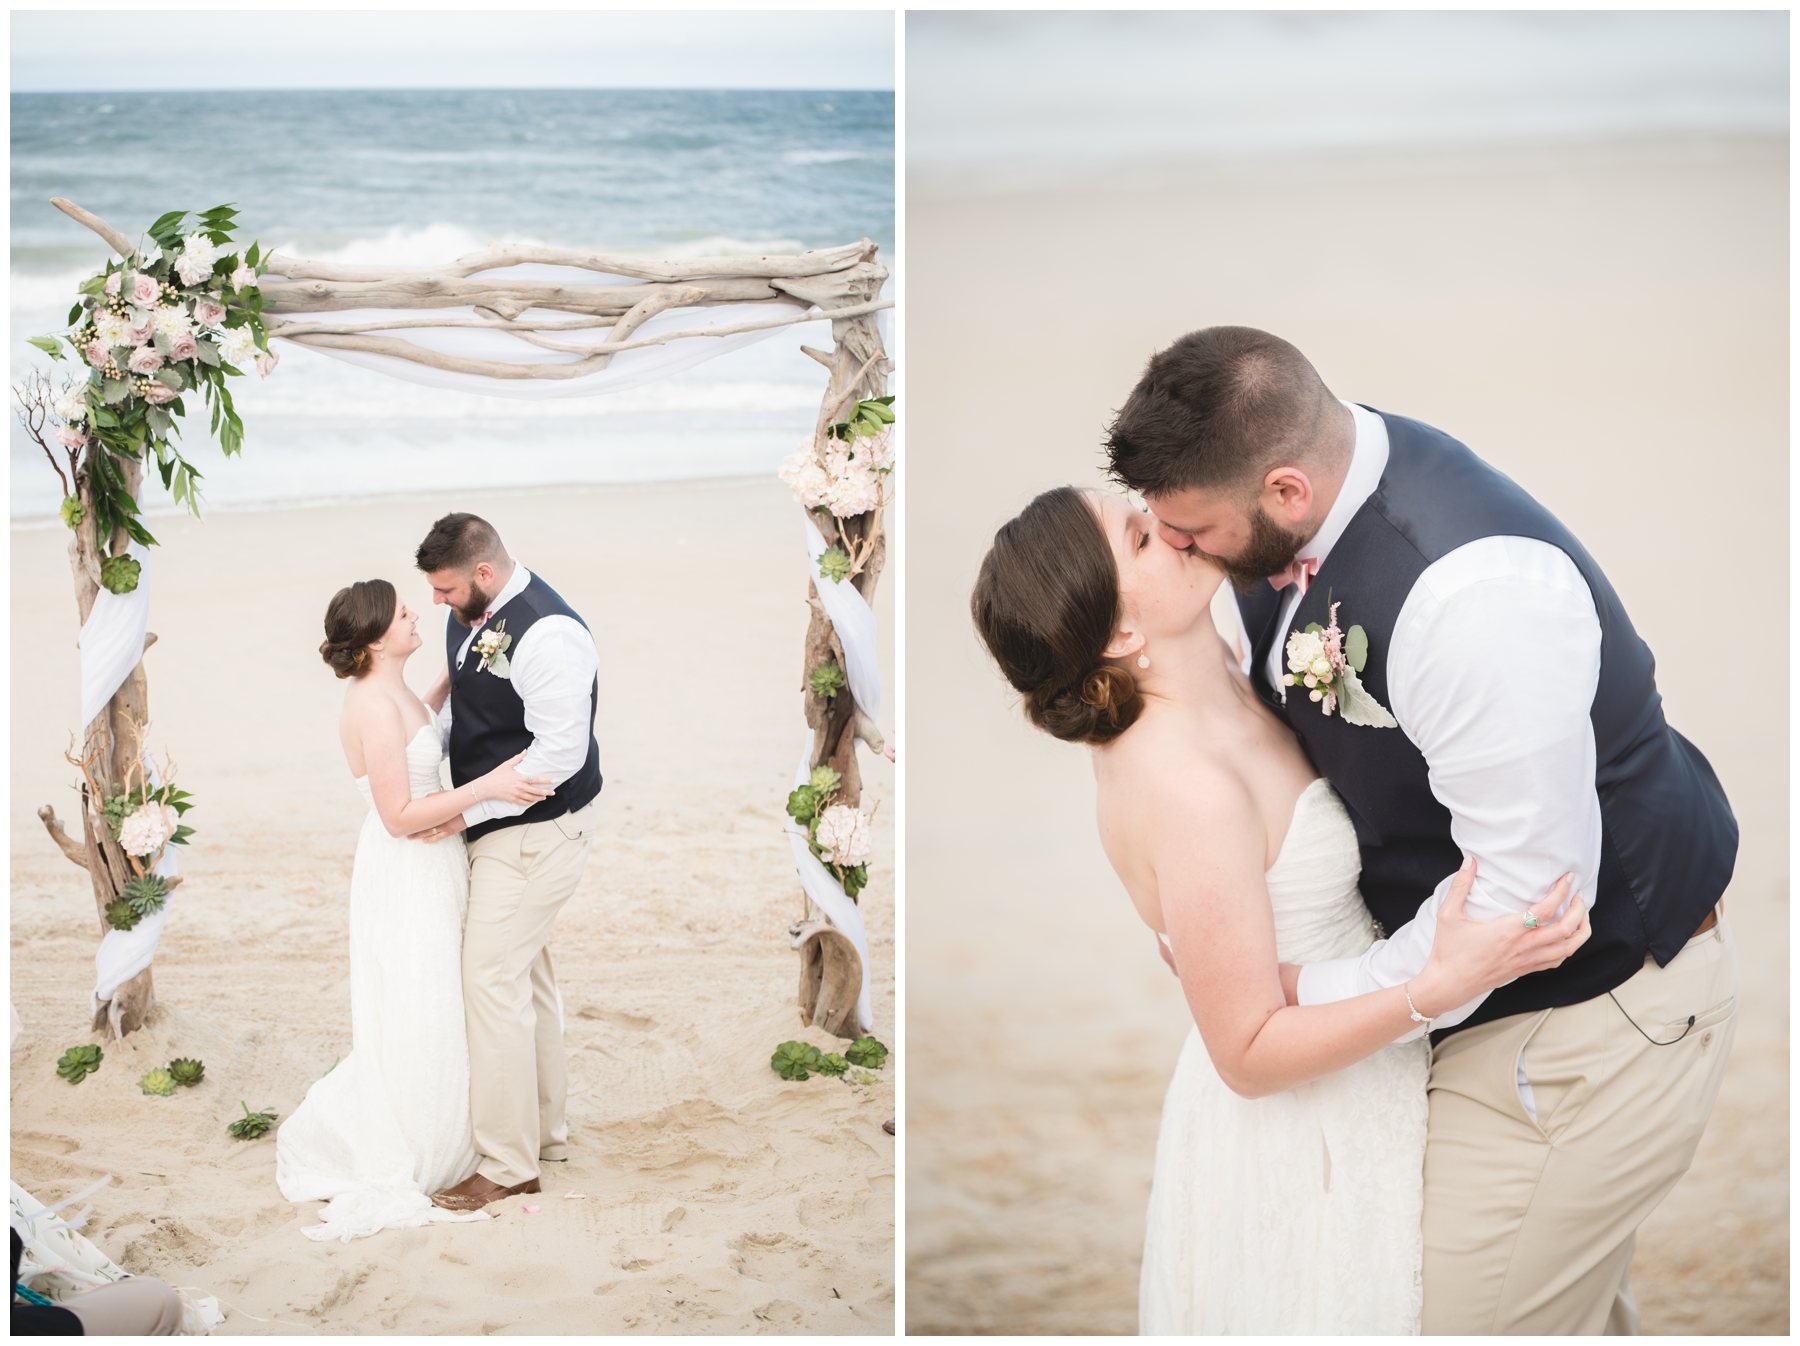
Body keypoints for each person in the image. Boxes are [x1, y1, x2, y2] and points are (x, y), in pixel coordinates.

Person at [1105, 325, 1738, 1333]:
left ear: (1284, 493)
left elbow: (1524, 906)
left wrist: (1303, 990)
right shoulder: (1288, 513)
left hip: (1587, 1016)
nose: (1179, 549)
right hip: (1455, 1024)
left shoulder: (1470, 602)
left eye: (1190, 533)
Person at [973, 485, 1590, 1332]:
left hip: (1363, 1058)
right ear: (1120, 634)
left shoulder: (1223, 660)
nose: (1170, 526)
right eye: (1141, 539)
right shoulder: (1186, 787)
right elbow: (1248, 1052)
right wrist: (1435, 987)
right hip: (1307, 1132)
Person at [275, 579, 553, 1241]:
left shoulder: (394, 690)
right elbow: (398, 816)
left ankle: (470, 1122)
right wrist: (485, 787)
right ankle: (430, 1135)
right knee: (421, 997)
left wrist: (453, 680)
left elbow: (417, 727)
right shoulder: (370, 705)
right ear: (374, 640)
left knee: (446, 995)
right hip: (407, 871)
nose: (413, 613)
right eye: (401, 612)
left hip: (436, 862)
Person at [411, 514, 605, 1214]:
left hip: (534, 836)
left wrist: (465, 813)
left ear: (483, 575)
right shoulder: (475, 609)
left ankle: (509, 1164)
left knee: (489, 981)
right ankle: (546, 1130)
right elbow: (468, 696)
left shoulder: (549, 636)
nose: (437, 601)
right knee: (528, 979)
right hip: (510, 830)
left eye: (444, 589)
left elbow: (559, 759)